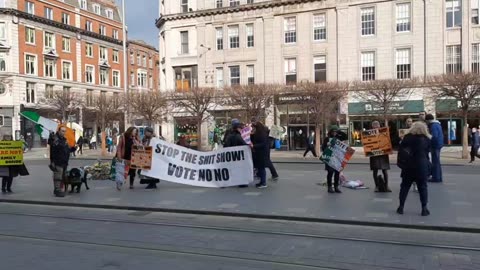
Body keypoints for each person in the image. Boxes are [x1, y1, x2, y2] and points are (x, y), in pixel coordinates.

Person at [397, 122, 432, 216]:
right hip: (421, 166)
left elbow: (401, 150)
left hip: (408, 165)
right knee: (423, 187)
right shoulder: (426, 139)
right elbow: (427, 154)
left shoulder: (407, 137)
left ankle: (401, 207)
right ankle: (424, 208)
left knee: (404, 186)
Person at [49, 126, 74, 197]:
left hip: (64, 161)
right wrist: (51, 136)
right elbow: (52, 144)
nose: (64, 132)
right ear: (59, 131)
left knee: (63, 176)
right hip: (57, 161)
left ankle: (60, 189)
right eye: (62, 131)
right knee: (58, 176)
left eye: (65, 131)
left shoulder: (64, 139)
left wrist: (73, 148)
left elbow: (67, 149)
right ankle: (57, 190)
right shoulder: (55, 138)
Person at [369, 121, 391, 192]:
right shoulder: (369, 134)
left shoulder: (383, 132)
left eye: (377, 125)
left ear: (379, 126)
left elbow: (387, 141)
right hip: (374, 154)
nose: (376, 126)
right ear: (372, 126)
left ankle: (387, 186)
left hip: (383, 154)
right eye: (374, 125)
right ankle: (376, 186)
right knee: (375, 170)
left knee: (385, 170)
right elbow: (367, 144)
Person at [321, 126, 342, 194]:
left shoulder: (339, 139)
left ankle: (336, 187)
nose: (334, 133)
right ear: (331, 132)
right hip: (330, 158)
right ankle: (329, 187)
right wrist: (327, 146)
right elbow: (323, 148)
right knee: (330, 172)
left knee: (337, 173)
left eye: (335, 132)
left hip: (337, 158)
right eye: (333, 131)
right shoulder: (327, 139)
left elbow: (342, 149)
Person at [425, 114, 444, 183]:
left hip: (435, 146)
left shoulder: (433, 126)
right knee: (437, 162)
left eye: (426, 121)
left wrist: (429, 140)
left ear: (428, 120)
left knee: (435, 162)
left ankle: (436, 178)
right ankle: (438, 177)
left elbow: (434, 136)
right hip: (438, 144)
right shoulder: (437, 124)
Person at [251, 121, 269, 189]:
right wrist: (251, 135)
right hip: (259, 153)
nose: (253, 128)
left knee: (261, 168)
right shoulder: (257, 133)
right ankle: (261, 182)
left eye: (254, 127)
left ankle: (263, 183)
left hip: (262, 153)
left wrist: (254, 146)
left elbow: (263, 144)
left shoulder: (262, 134)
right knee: (260, 168)